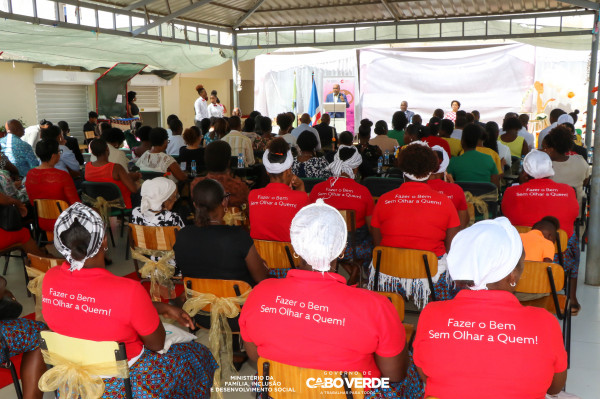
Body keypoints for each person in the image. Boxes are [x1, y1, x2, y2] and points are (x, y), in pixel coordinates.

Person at [42, 203, 217, 398]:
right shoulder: (129, 290)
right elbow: (157, 344)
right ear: (104, 241)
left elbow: (95, 306)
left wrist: (160, 307)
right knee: (197, 354)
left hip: (75, 381)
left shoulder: (50, 278)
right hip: (124, 383)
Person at [240, 201, 408, 395]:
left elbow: (255, 355)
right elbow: (395, 375)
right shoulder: (377, 305)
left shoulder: (260, 292)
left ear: (295, 248)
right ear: (342, 250)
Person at [413, 217, 568, 399]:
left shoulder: (431, 313)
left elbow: (425, 375)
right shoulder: (545, 322)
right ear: (512, 275)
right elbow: (555, 387)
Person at [370, 142, 461, 307]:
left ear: (402, 168)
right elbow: (452, 248)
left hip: (388, 275)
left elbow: (377, 242)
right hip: (430, 279)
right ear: (432, 170)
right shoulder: (445, 203)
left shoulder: (384, 199)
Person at [502, 150, 580, 314]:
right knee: (571, 240)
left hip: (520, 261)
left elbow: (507, 216)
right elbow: (573, 218)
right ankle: (572, 298)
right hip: (555, 262)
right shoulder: (568, 191)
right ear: (550, 169)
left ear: (525, 171)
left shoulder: (511, 192)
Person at [175, 179, 268, 288]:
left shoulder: (182, 236)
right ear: (224, 202)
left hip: (198, 303)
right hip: (237, 303)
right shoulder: (239, 237)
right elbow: (261, 279)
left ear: (195, 205)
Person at [309, 145, 374, 270]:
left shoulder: (317, 189)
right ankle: (357, 273)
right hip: (353, 249)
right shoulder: (363, 192)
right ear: (355, 169)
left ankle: (351, 273)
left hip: (323, 248)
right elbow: (372, 227)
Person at [248, 138, 308, 242]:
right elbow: (307, 226)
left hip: (259, 257)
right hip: (290, 257)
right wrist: (300, 187)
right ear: (288, 170)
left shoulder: (252, 195)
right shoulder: (301, 197)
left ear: (267, 171)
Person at [25, 139, 80, 233]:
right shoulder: (62, 176)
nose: (60, 154)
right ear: (54, 156)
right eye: (59, 151)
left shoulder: (30, 174)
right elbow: (75, 203)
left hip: (42, 221)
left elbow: (32, 202)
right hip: (65, 222)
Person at [191, 141, 249, 209]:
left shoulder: (196, 184)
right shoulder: (239, 187)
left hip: (203, 219)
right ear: (229, 162)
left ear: (206, 160)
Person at [543, 125, 590, 207]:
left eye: (545, 148)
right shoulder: (580, 160)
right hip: (575, 213)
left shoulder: (543, 167)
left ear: (551, 149)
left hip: (550, 214)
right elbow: (585, 182)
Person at [86, 139, 139, 209]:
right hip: (120, 205)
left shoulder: (88, 167)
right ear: (107, 149)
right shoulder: (116, 168)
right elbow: (133, 189)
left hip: (99, 205)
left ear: (93, 152)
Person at [428, 146, 469, 229]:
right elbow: (463, 224)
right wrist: (452, 187)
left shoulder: (415, 188)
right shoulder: (456, 190)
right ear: (445, 167)